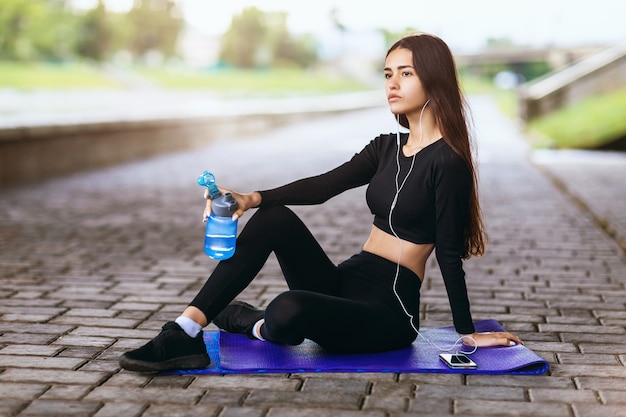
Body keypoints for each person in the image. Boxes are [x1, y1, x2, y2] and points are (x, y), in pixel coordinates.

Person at [119, 33, 523, 373]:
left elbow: (450, 255)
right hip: (348, 279)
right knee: (273, 218)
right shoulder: (385, 147)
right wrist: (252, 198)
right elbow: (323, 186)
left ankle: (251, 321)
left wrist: (467, 331)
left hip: (389, 307)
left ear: (434, 80)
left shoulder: (448, 162)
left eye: (405, 73)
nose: (392, 84)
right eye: (387, 74)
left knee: (287, 309)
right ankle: (183, 331)